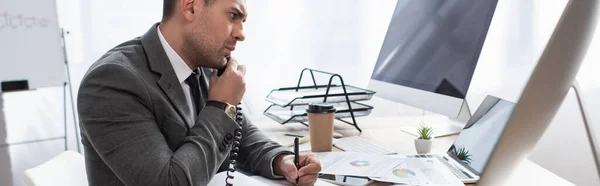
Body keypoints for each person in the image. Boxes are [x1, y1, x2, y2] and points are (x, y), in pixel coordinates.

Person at [77, 0, 321, 185]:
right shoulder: (111, 82)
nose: (241, 34)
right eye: (233, 16)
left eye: (242, 21)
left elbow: (242, 137)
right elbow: (169, 181)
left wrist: (282, 161)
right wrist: (221, 105)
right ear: (191, 7)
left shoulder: (205, 65)